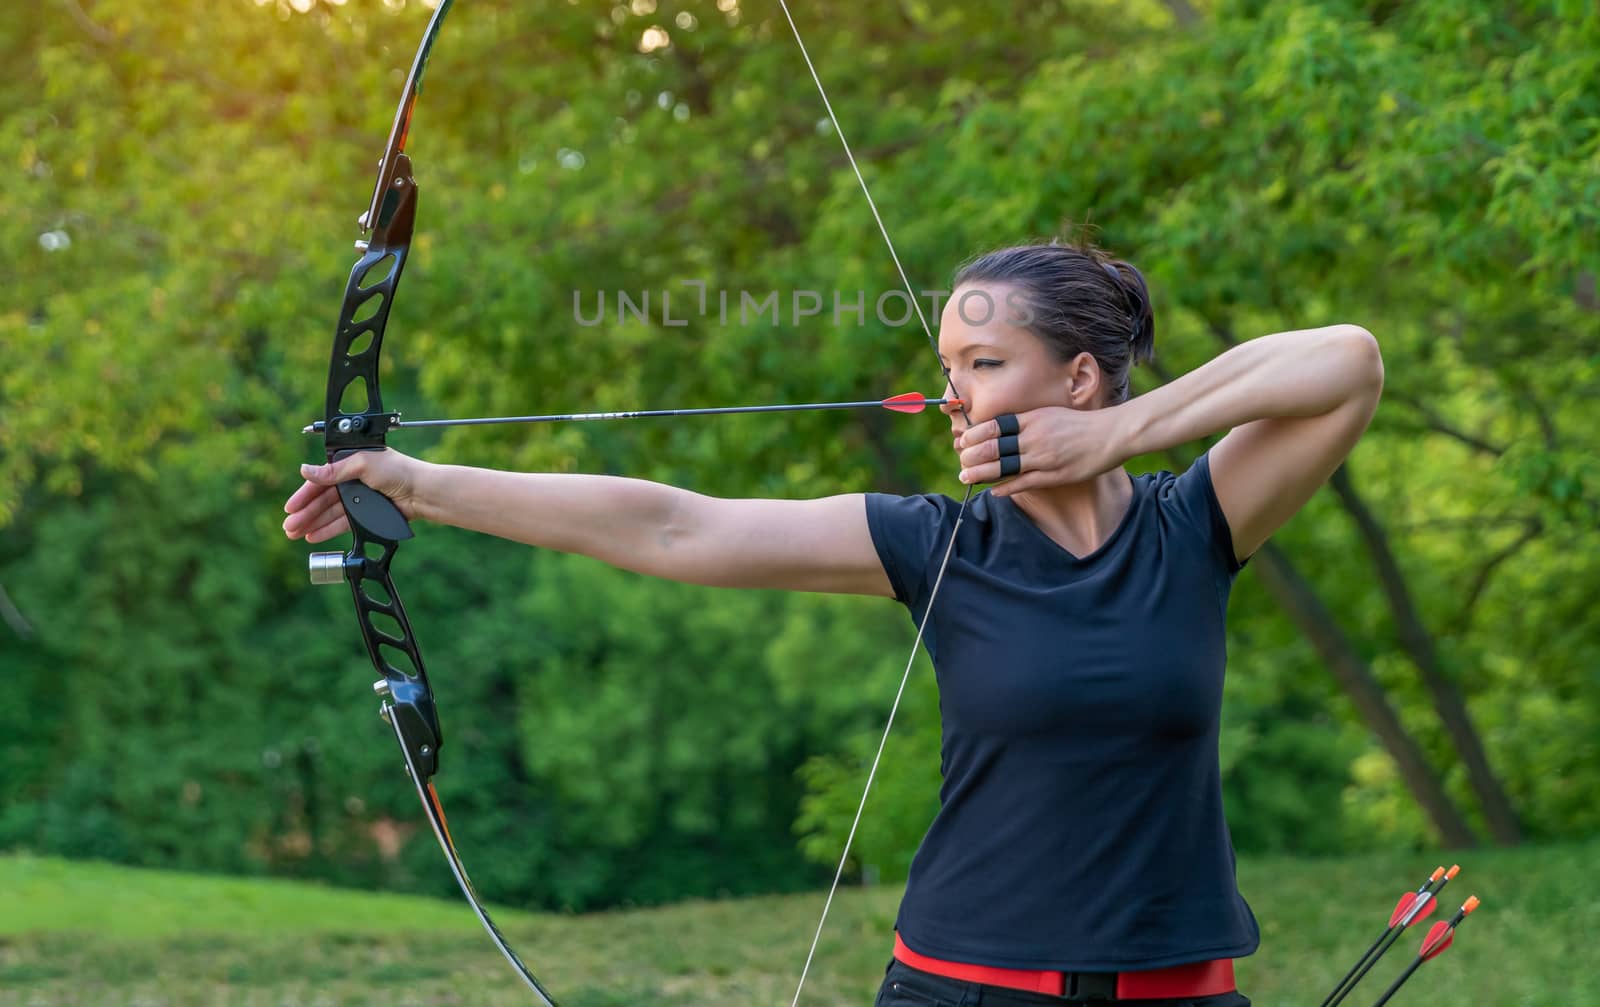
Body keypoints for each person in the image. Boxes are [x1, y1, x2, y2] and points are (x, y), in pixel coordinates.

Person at [284, 240, 1384, 1006]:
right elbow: (677, 529)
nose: (951, 397)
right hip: (962, 988)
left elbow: (1346, 362)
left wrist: (1122, 438)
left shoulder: (1192, 525)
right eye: (946, 370)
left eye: (983, 366)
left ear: (1082, 378)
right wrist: (417, 485)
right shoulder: (937, 541)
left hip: (1179, 989)